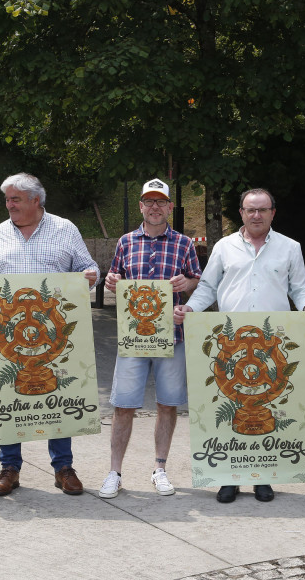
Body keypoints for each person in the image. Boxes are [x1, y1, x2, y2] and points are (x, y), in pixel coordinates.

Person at [0, 173, 99, 497]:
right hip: (10, 341)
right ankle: (10, 467)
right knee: (8, 398)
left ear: (35, 200)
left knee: (57, 398)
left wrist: (90, 275)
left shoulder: (65, 229)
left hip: (54, 337)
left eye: (15, 199)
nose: (9, 204)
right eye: (7, 199)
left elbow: (90, 269)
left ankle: (63, 467)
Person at [174, 188, 305, 503]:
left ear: (273, 213)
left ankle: (264, 478)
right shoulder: (224, 247)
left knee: (267, 405)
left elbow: (298, 288)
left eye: (263, 209)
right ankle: (228, 478)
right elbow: (208, 287)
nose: (256, 215)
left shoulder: (290, 248)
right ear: (240, 213)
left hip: (272, 347)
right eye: (250, 210)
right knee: (231, 406)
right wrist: (191, 309)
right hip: (233, 348)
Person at [98, 179, 202, 499]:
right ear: (141, 206)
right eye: (149, 201)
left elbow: (198, 283)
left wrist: (188, 283)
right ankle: (114, 472)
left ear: (170, 207)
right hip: (135, 337)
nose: (155, 207)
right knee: (123, 405)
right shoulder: (126, 242)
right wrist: (113, 282)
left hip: (173, 335)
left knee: (167, 404)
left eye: (161, 202)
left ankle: (160, 468)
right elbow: (114, 281)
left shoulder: (184, 244)